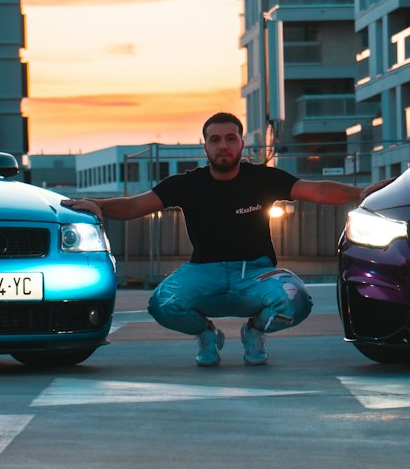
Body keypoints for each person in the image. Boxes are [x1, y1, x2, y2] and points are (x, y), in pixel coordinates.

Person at [62, 112, 369, 367]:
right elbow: (134, 205)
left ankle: (254, 330)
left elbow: (315, 191)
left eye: (230, 138)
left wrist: (360, 193)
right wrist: (98, 205)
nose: (223, 145)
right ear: (205, 146)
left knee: (296, 300)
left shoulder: (262, 178)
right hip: (203, 273)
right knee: (161, 304)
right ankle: (207, 334)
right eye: (215, 139)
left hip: (255, 273)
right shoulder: (186, 184)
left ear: (241, 143)